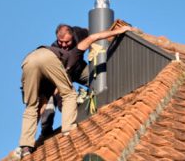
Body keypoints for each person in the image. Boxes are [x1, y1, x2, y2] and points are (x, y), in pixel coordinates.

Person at [16, 23, 136, 158]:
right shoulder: (60, 53)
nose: (64, 45)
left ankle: (25, 147)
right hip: (48, 60)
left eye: (67, 41)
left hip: (29, 60)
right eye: (61, 42)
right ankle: (67, 130)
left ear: (72, 36)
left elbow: (93, 36)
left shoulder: (74, 48)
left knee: (31, 106)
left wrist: (118, 30)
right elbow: (59, 94)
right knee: (68, 93)